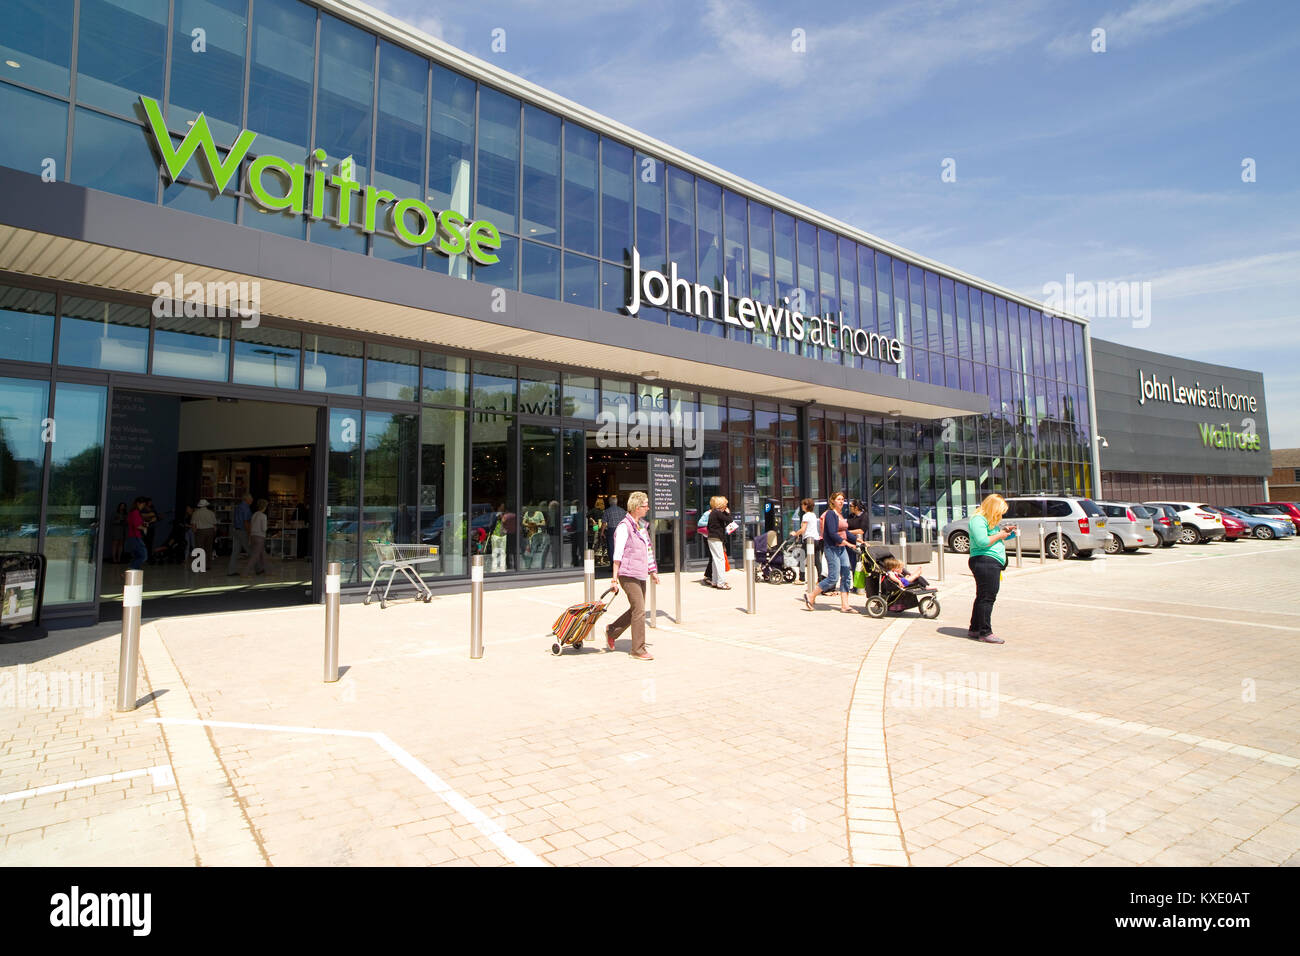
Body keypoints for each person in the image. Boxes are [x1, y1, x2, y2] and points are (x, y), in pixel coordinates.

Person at [605, 491, 659, 661]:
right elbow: (617, 555)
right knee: (640, 610)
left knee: (637, 609)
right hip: (627, 574)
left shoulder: (641, 526)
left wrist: (653, 571)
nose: (648, 508)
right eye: (645, 505)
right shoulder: (623, 527)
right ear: (636, 507)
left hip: (640, 573)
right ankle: (638, 649)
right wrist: (614, 579)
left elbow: (648, 550)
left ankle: (612, 630)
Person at [968, 494, 1017, 644]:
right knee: (987, 598)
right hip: (984, 561)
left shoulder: (987, 521)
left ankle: (975, 628)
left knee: (982, 596)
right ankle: (985, 632)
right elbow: (983, 541)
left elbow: (993, 537)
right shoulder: (978, 519)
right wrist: (1000, 534)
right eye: (1000, 511)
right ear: (993, 508)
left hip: (989, 562)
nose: (1001, 515)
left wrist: (1006, 533)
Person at [803, 491, 858, 613]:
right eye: (838, 499)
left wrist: (858, 540)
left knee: (846, 575)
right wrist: (848, 543)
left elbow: (845, 532)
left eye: (843, 499)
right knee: (833, 577)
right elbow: (832, 533)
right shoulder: (830, 514)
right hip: (832, 548)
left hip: (841, 548)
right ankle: (811, 595)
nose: (841, 501)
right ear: (832, 501)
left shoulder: (840, 515)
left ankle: (845, 605)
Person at [705, 495, 733, 589]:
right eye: (725, 505)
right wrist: (727, 513)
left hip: (711, 538)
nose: (726, 506)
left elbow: (708, 527)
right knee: (721, 560)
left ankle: (714, 581)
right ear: (721, 505)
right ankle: (721, 583)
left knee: (715, 560)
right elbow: (730, 520)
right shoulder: (717, 513)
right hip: (716, 538)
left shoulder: (713, 513)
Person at [791, 498, 821, 583]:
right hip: (816, 538)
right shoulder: (813, 515)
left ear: (806, 506)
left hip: (809, 539)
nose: (801, 506)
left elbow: (803, 529)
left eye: (802, 505)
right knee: (817, 560)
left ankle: (802, 578)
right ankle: (820, 578)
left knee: (801, 557)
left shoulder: (806, 516)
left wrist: (796, 534)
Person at [241, 498, 269, 578]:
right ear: (264, 507)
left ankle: (266, 571)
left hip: (253, 536)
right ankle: (245, 573)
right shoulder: (263, 516)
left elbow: (251, 526)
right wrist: (267, 527)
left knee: (263, 555)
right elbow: (264, 528)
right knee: (255, 556)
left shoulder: (254, 515)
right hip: (260, 537)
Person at [227, 493, 254, 575]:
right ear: (247, 500)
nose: (252, 501)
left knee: (235, 551)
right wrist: (249, 533)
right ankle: (259, 568)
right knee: (250, 550)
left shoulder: (238, 507)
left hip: (235, 530)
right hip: (242, 531)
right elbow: (246, 522)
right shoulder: (246, 508)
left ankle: (231, 571)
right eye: (251, 499)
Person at [602, 494, 627, 568]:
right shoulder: (622, 511)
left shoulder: (607, 511)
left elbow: (604, 523)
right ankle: (621, 565)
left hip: (611, 530)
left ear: (610, 502)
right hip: (621, 530)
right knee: (621, 547)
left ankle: (613, 566)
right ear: (616, 502)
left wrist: (602, 532)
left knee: (611, 548)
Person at [192, 499, 217, 568]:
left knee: (200, 548)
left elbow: (194, 525)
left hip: (200, 531)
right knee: (209, 548)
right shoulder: (211, 513)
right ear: (206, 505)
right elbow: (215, 526)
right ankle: (208, 565)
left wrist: (195, 533)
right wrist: (214, 533)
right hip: (210, 531)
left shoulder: (195, 513)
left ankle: (200, 564)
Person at [125, 497, 148, 571]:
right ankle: (130, 570)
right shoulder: (135, 512)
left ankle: (132, 573)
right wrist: (144, 528)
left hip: (133, 537)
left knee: (138, 556)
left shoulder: (133, 512)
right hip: (135, 537)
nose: (143, 506)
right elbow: (137, 525)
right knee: (143, 556)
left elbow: (135, 523)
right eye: (143, 504)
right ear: (138, 503)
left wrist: (143, 524)